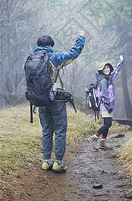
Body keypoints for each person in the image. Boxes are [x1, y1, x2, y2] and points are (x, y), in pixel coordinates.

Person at [34, 31, 85, 173]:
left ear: (38, 45)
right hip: (56, 100)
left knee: (46, 131)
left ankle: (46, 162)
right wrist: (81, 37)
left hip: (40, 101)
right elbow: (73, 54)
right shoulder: (54, 57)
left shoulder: (32, 59)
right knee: (60, 130)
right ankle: (59, 163)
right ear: (51, 46)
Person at [87, 55, 124, 150]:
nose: (107, 69)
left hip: (109, 105)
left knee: (107, 124)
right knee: (108, 124)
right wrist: (108, 107)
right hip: (105, 105)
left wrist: (121, 61)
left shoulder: (109, 78)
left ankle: (103, 143)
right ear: (102, 70)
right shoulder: (103, 81)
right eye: (105, 68)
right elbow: (103, 95)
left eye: (108, 67)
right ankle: (94, 137)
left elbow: (116, 71)